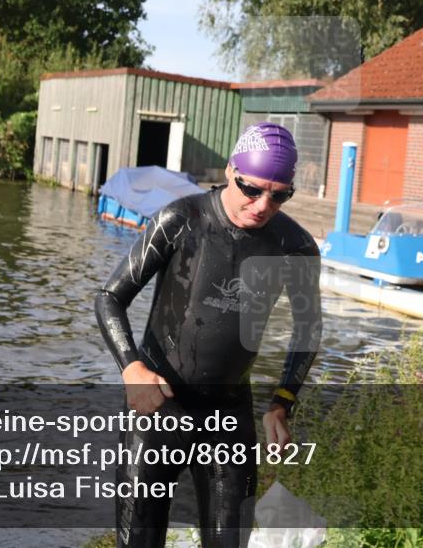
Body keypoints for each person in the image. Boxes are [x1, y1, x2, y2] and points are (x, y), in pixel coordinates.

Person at [95, 122, 322, 548]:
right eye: (251, 188)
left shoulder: (296, 247)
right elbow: (109, 297)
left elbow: (308, 328)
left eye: (279, 194)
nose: (262, 204)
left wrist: (282, 403)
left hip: (228, 416)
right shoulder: (182, 219)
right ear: (230, 169)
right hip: (159, 409)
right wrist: (132, 369)